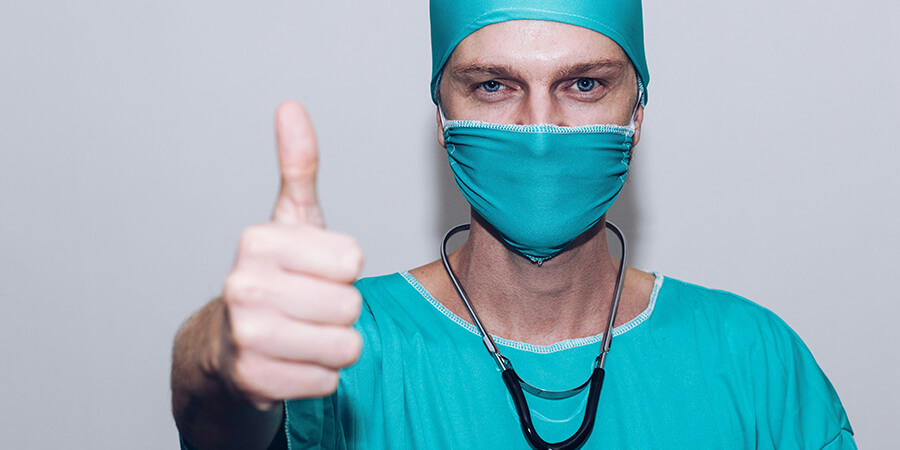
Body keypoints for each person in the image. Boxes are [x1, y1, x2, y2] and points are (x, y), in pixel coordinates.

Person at [171, 1, 855, 448]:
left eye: (584, 84)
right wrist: (222, 358)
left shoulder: (756, 359)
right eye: (494, 86)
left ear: (637, 112)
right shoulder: (339, 347)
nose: (539, 128)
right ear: (443, 116)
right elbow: (220, 424)